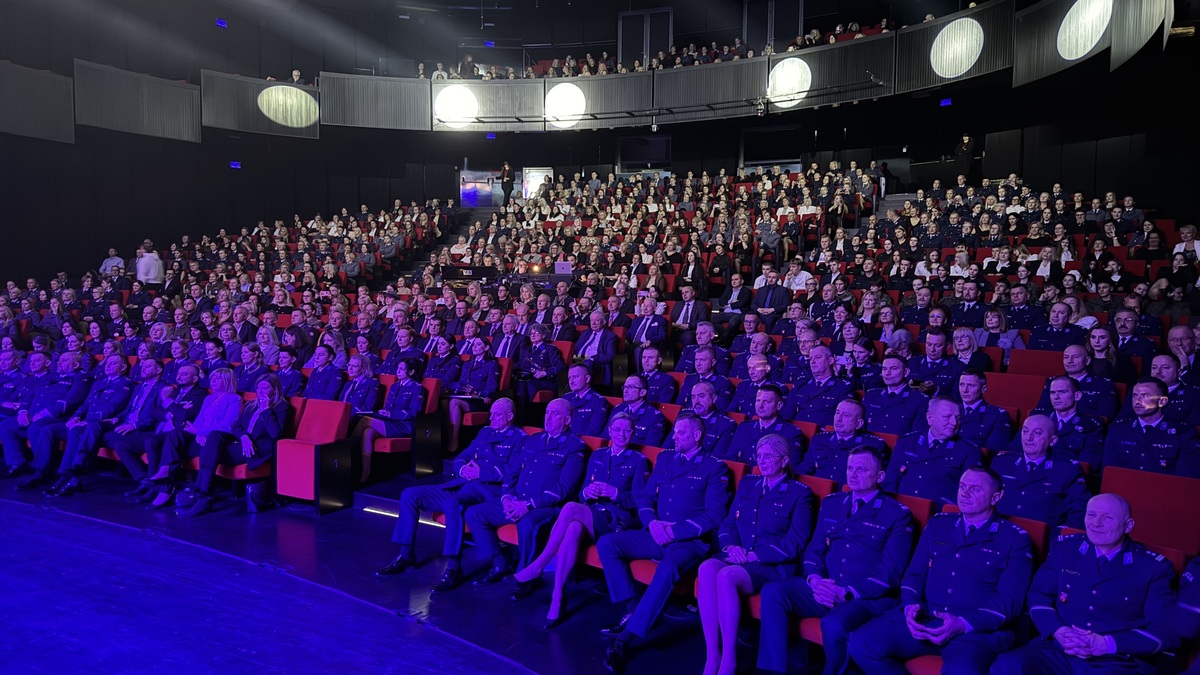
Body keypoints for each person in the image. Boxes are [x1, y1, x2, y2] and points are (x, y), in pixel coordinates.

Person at [848, 467, 1034, 673]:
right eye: (962, 486)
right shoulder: (938, 524)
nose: (964, 493)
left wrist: (964, 624)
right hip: (926, 617)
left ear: (996, 497)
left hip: (974, 630)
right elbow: (914, 575)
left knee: (961, 671)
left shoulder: (1015, 539)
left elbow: (1009, 602)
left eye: (975, 489)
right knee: (861, 644)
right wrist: (911, 607)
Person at [758, 445, 915, 675]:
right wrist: (815, 580)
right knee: (773, 592)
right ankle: (772, 671)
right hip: (824, 586)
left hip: (863, 596)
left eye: (862, 469)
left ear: (880, 476)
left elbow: (891, 572)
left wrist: (847, 591)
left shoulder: (898, 514)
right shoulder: (833, 503)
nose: (853, 474)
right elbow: (814, 550)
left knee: (834, 624)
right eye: (851, 468)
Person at [597, 415, 732, 673]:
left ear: (697, 436)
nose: (675, 436)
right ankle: (633, 609)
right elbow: (646, 498)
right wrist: (653, 524)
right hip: (656, 532)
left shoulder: (715, 468)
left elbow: (715, 515)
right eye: (675, 432)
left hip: (687, 541)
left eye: (681, 432)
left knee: (668, 567)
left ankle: (625, 639)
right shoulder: (666, 458)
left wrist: (675, 531)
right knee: (608, 544)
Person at [991, 494, 1177, 674]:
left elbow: (1165, 632)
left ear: (1128, 525)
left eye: (1108, 517)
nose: (1096, 523)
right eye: (1091, 515)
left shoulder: (1153, 567)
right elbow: (1039, 595)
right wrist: (1058, 631)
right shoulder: (1065, 549)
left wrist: (1106, 644)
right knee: (1007, 666)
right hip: (1058, 650)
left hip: (1117, 661)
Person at [510, 413, 651, 628]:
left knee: (570, 509)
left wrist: (615, 493)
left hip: (615, 520)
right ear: (610, 431)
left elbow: (640, 500)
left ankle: (539, 564)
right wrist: (588, 492)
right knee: (574, 528)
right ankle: (558, 598)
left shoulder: (638, 461)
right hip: (590, 514)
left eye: (626, 430)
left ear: (632, 433)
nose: (621, 434)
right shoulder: (598, 455)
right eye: (617, 429)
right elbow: (581, 493)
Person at [375, 397, 526, 592]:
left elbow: (515, 471)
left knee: (452, 504)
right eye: (491, 413)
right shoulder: (485, 432)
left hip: (487, 491)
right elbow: (462, 457)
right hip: (463, 484)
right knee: (410, 494)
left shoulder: (520, 438)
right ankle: (406, 554)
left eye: (497, 414)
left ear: (510, 416)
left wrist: (482, 472)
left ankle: (454, 567)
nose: (491, 417)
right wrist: (463, 470)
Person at [699, 434, 814, 675]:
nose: (762, 461)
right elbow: (729, 524)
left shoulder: (800, 494)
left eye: (768, 456)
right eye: (759, 455)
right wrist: (732, 547)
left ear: (784, 461)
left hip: (772, 564)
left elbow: (795, 543)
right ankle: (713, 655)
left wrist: (753, 556)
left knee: (726, 576)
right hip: (739, 555)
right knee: (707, 568)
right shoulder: (749, 484)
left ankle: (729, 660)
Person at [463, 399, 586, 591]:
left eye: (554, 414)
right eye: (547, 412)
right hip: (516, 500)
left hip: (546, 506)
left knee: (527, 524)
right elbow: (513, 473)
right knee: (474, 514)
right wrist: (506, 497)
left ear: (567, 420)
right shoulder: (534, 439)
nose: (548, 417)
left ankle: (527, 576)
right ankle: (500, 564)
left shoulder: (575, 446)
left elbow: (564, 489)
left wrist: (527, 505)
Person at [177, 374, 291, 517]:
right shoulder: (251, 404)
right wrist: (244, 437)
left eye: (265, 387)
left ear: (275, 389)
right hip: (241, 443)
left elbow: (276, 433)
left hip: (257, 449)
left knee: (209, 451)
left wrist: (266, 410)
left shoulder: (282, 406)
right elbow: (237, 427)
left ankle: (204, 495)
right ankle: (204, 495)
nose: (260, 391)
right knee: (213, 436)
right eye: (258, 387)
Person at [40, 355, 135, 496]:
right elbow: (85, 403)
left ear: (123, 368)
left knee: (76, 431)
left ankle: (67, 476)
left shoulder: (126, 384)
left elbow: (113, 407)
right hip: (86, 421)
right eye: (107, 363)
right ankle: (46, 472)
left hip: (104, 423)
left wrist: (87, 420)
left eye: (113, 364)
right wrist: (76, 417)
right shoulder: (99, 383)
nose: (108, 366)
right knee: (49, 429)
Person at [991, 415, 1090, 528]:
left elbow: (1079, 513)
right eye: (1025, 431)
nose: (1028, 438)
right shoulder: (1002, 462)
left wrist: (1057, 538)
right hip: (998, 533)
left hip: (1044, 539)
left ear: (1052, 441)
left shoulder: (1067, 470)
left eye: (1037, 433)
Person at [884, 397, 982, 504]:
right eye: (947, 417)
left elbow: (968, 494)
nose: (954, 423)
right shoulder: (907, 442)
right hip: (899, 508)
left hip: (939, 514)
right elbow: (890, 480)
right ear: (930, 418)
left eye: (958, 418)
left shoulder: (969, 450)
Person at [1102, 376, 1200, 477]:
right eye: (1135, 396)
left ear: (1162, 401)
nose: (1137, 401)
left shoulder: (1184, 433)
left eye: (1145, 396)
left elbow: (1186, 479)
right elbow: (1108, 473)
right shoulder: (1118, 430)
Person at [353, 358, 426, 482]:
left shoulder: (417, 388)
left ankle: (349, 450)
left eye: (403, 369)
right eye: (398, 368)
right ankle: (365, 472)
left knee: (366, 420)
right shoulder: (394, 386)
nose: (399, 371)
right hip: (389, 421)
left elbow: (414, 412)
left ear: (412, 371)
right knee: (367, 432)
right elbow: (388, 406)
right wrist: (384, 411)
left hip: (404, 425)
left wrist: (391, 414)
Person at [799, 399, 888, 481]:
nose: (838, 419)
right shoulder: (819, 440)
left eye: (846, 415)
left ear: (859, 423)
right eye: (837, 413)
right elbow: (803, 472)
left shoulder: (873, 446)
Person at [728, 384, 806, 467]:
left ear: (779, 405)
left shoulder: (791, 434)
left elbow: (790, 469)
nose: (760, 406)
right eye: (758, 400)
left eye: (766, 402)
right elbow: (730, 459)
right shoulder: (744, 427)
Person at [861, 356, 929, 436]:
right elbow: (860, 427)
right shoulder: (871, 395)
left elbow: (917, 435)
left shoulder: (920, 399)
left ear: (906, 372)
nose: (887, 373)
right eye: (884, 369)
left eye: (893, 368)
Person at [956, 370, 1013, 452]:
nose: (964, 390)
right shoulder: (951, 409)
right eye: (962, 384)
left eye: (970, 386)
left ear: (983, 389)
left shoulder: (997, 415)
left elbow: (993, 452)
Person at [605, 375, 668, 447]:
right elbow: (605, 436)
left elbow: (649, 449)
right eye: (625, 387)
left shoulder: (655, 417)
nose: (625, 390)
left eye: (631, 387)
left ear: (642, 392)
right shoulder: (618, 409)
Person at [560, 363, 610, 436]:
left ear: (587, 379)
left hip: (580, 443)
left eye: (575, 377)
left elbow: (592, 432)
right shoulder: (566, 398)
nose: (571, 381)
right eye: (569, 378)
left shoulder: (599, 401)